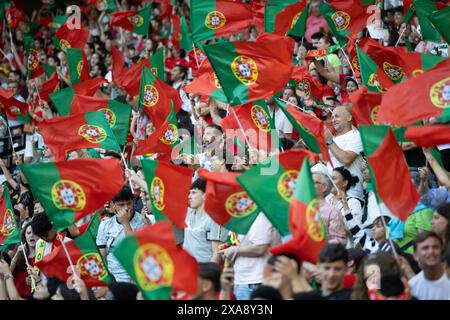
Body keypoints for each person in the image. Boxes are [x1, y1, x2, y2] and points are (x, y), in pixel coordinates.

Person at [218, 214, 280, 300]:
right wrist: (228, 248)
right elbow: (236, 242)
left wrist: (233, 250)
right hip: (241, 281)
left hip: (260, 280)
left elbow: (260, 248)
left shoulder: (260, 215)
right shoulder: (238, 217)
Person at [96, 186, 146, 282]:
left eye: (129, 203)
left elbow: (134, 250)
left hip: (136, 277)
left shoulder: (143, 221)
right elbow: (102, 257)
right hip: (113, 276)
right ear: (113, 205)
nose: (126, 208)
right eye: (121, 204)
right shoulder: (105, 225)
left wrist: (125, 223)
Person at [183, 178, 228, 264]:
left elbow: (217, 253)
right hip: (187, 269)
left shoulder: (215, 219)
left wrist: (207, 275)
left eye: (193, 193)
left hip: (203, 271)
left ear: (205, 195)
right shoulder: (189, 212)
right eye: (189, 193)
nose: (189, 196)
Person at [325, 106, 364, 201]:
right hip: (333, 194)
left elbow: (346, 159)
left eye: (337, 116)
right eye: (332, 117)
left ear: (349, 117)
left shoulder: (356, 135)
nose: (333, 120)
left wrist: (329, 141)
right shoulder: (334, 140)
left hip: (351, 194)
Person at [408, 231, 450, 300]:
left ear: (442, 251)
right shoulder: (412, 286)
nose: (431, 251)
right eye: (425, 248)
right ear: (415, 255)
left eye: (435, 247)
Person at [312, 172, 347, 244]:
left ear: (324, 187)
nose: (308, 185)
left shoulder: (332, 211)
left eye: (313, 182)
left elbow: (340, 240)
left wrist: (319, 244)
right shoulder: (301, 208)